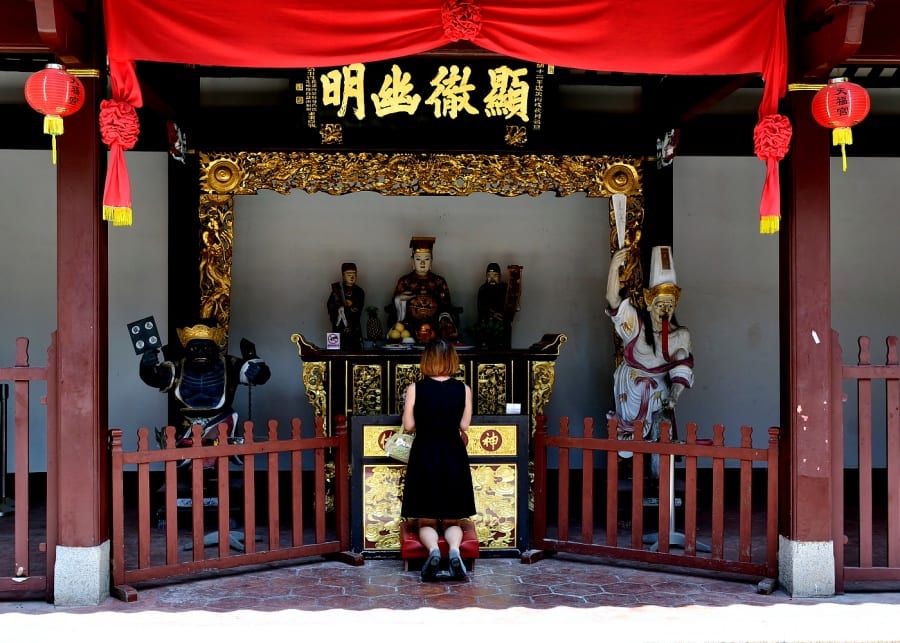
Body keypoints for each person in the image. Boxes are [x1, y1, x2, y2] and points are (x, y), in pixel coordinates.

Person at [605, 245, 694, 476]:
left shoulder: (680, 335)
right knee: (627, 438)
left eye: (669, 304)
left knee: (659, 430)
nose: (664, 309)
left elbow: (682, 366)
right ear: (649, 302)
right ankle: (627, 471)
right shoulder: (636, 325)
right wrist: (615, 266)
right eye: (660, 304)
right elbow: (613, 299)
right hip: (631, 384)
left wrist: (674, 396)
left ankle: (657, 475)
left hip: (659, 388)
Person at [139, 321, 271, 462]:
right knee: (182, 460)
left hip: (220, 421)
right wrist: (146, 366)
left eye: (207, 348)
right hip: (185, 423)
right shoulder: (176, 366)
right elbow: (154, 378)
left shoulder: (229, 364)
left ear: (216, 348)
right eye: (194, 348)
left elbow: (257, 374)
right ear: (185, 348)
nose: (200, 352)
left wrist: (258, 371)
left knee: (219, 458)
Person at [399, 339, 475, 581]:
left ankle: (433, 551)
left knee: (426, 518)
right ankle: (453, 552)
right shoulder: (463, 389)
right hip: (453, 453)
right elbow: (464, 424)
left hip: (425, 454)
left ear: (427, 360)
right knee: (453, 518)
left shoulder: (415, 388)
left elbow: (409, 425)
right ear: (452, 359)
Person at [392, 236, 457, 343]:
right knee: (402, 330)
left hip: (434, 326)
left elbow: (446, 306)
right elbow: (394, 310)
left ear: (431, 261)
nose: (422, 263)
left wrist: (444, 318)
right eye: (418, 259)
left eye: (426, 259)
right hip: (411, 326)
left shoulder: (439, 281)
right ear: (412, 261)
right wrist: (399, 299)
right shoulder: (405, 281)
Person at [327, 262, 365, 350]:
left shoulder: (359, 291)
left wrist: (351, 305)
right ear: (343, 276)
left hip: (353, 326)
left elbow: (359, 307)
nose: (352, 277)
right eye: (348, 274)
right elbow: (330, 305)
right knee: (337, 353)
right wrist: (338, 308)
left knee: (355, 352)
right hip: (339, 326)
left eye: (354, 274)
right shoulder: (337, 290)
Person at [475, 262, 510, 348]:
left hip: (502, 324)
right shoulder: (483, 289)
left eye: (495, 275)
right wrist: (492, 314)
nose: (492, 278)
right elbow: (481, 307)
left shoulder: (504, 288)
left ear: (500, 276)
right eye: (489, 275)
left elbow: (509, 304)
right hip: (486, 324)